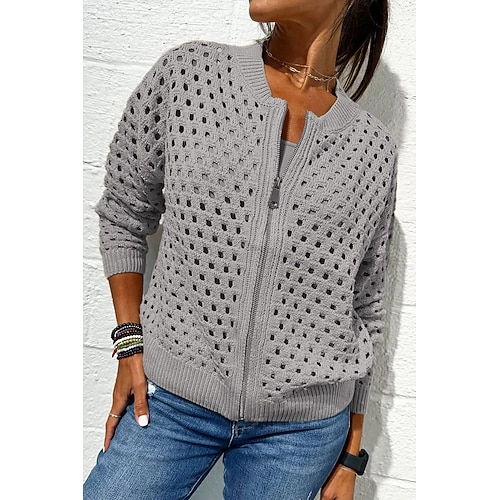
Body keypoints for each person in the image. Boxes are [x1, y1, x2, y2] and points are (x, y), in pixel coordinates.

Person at [83, 0, 398, 498]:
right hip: (172, 398)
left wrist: (352, 456)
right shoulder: (190, 76)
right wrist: (129, 345)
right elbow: (124, 212)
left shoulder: (372, 149)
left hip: (302, 432)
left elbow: (367, 303)